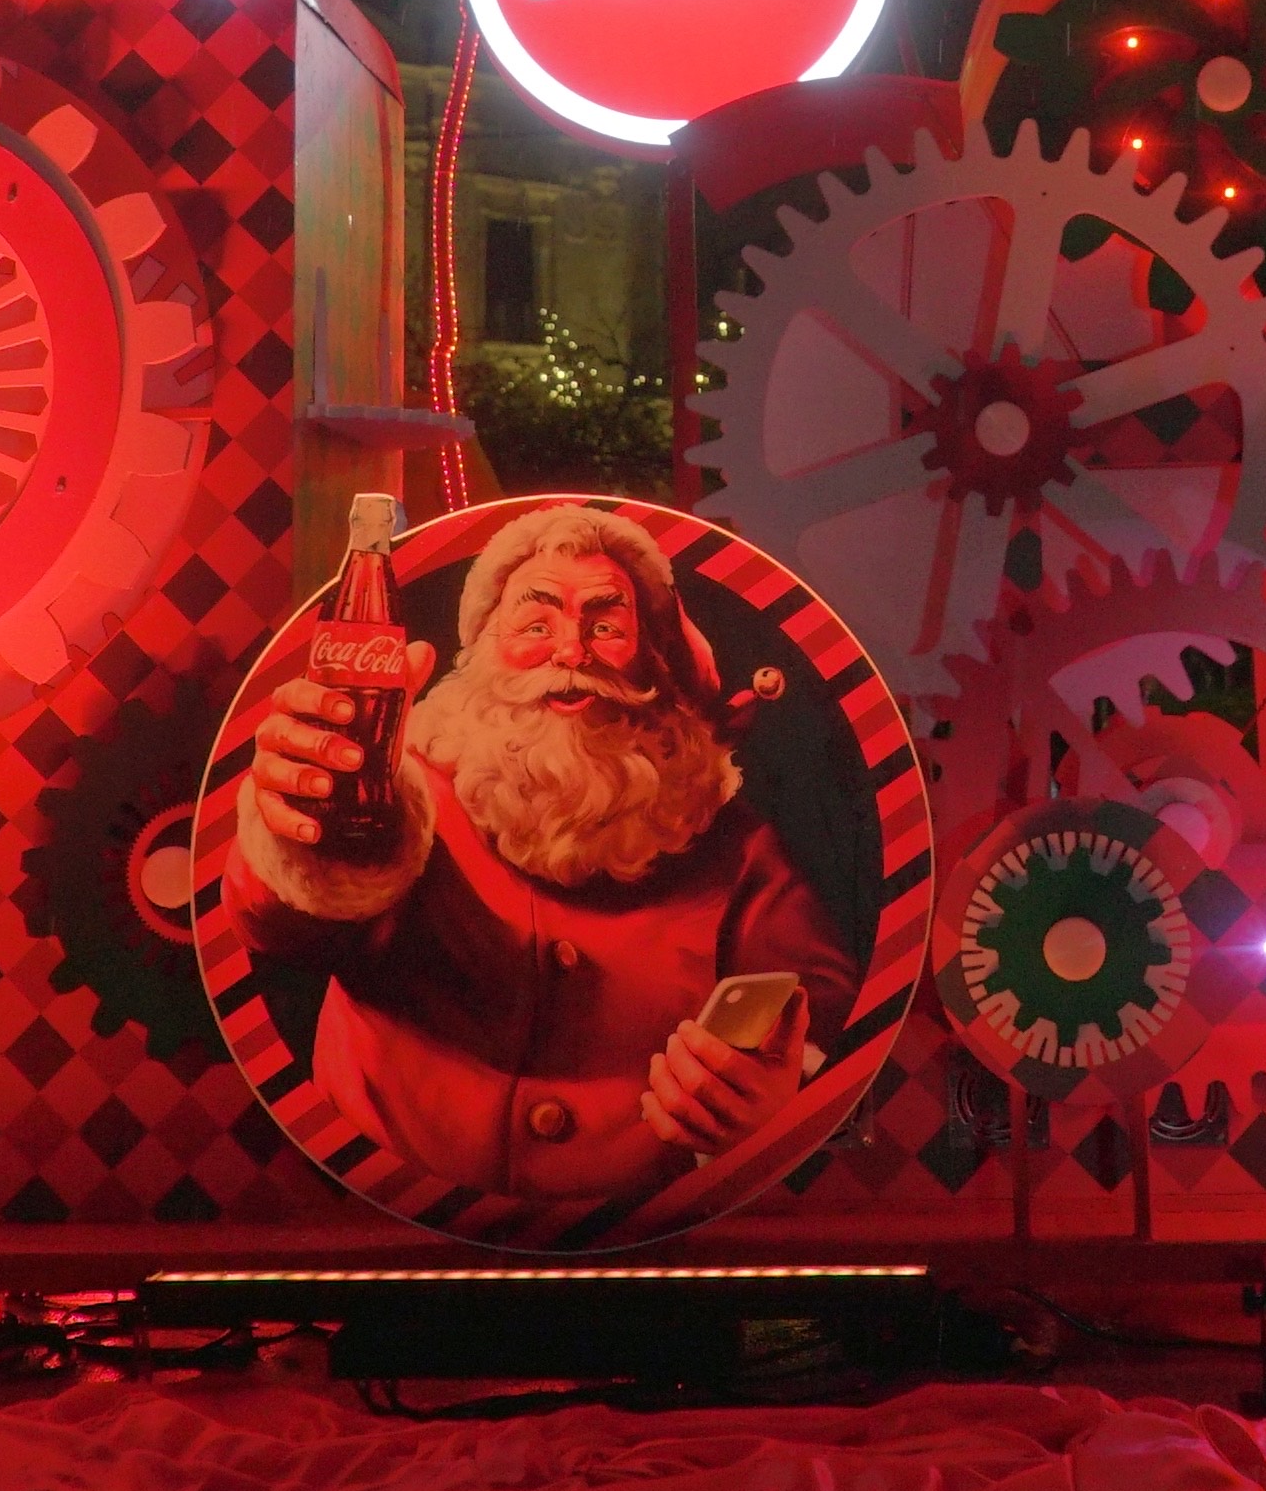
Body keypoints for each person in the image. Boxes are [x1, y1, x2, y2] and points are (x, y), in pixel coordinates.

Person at [225, 501, 859, 1201]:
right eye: (536, 624)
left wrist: (776, 1101)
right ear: (480, 649)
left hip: (637, 1233)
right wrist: (300, 812)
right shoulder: (403, 791)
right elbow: (277, 924)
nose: (571, 653)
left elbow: (822, 1008)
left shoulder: (731, 846)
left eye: (606, 626)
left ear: (651, 656)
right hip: (374, 1205)